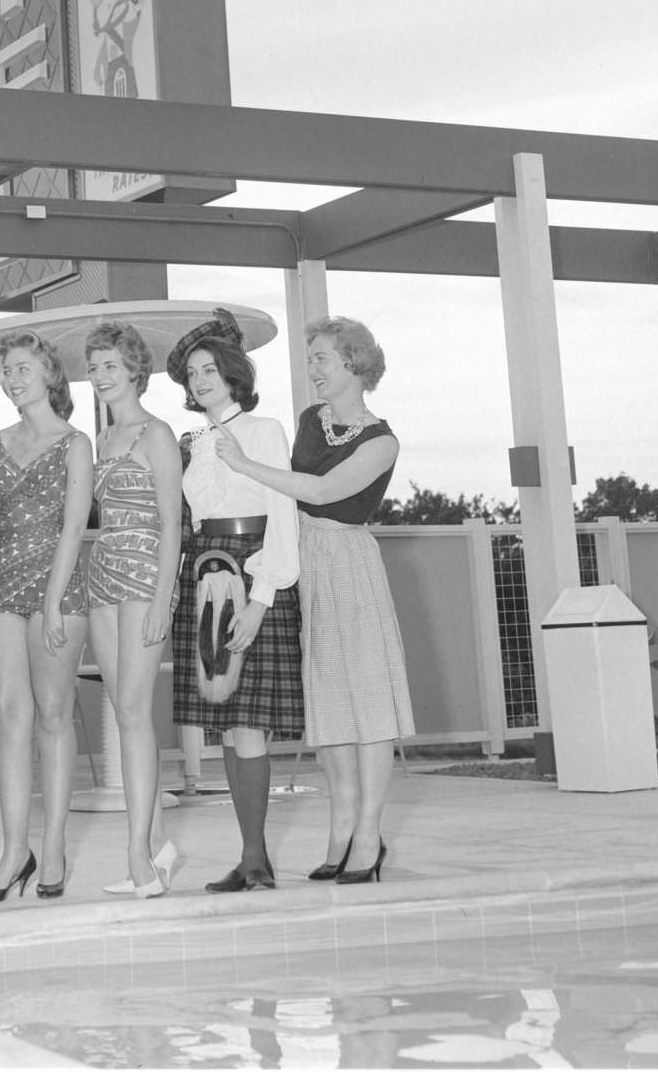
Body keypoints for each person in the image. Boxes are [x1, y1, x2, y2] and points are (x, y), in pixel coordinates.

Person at [213, 314, 412, 885]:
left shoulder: (382, 441)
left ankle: (369, 835)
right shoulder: (309, 421)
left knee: (368, 698)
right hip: (306, 562)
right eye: (310, 361)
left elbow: (323, 492)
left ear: (354, 363)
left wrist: (247, 464)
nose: (313, 370)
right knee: (328, 700)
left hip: (348, 562)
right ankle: (341, 826)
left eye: (322, 358)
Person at [167, 309, 303, 893]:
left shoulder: (265, 430)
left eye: (209, 370)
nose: (200, 380)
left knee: (249, 726)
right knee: (224, 725)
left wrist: (261, 599)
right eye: (192, 373)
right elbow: (193, 519)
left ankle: (256, 859)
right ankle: (250, 858)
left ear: (232, 374)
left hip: (253, 575)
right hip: (205, 573)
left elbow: (283, 514)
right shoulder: (191, 442)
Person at [0, 330, 93, 903]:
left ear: (49, 374)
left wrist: (50, 599)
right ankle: (13, 849)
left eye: (23, 368)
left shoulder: (75, 444)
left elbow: (75, 525)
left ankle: (52, 847)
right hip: (0, 587)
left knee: (53, 715)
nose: (13, 378)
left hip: (58, 590)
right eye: (7, 370)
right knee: (7, 715)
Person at [82, 319, 183, 898]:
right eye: (93, 367)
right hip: (104, 573)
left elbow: (173, 524)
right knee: (122, 714)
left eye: (110, 366)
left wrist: (164, 597)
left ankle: (138, 856)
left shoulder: (156, 434)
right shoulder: (104, 439)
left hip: (145, 571)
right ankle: (161, 844)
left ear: (134, 371)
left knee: (135, 710)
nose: (100, 376)